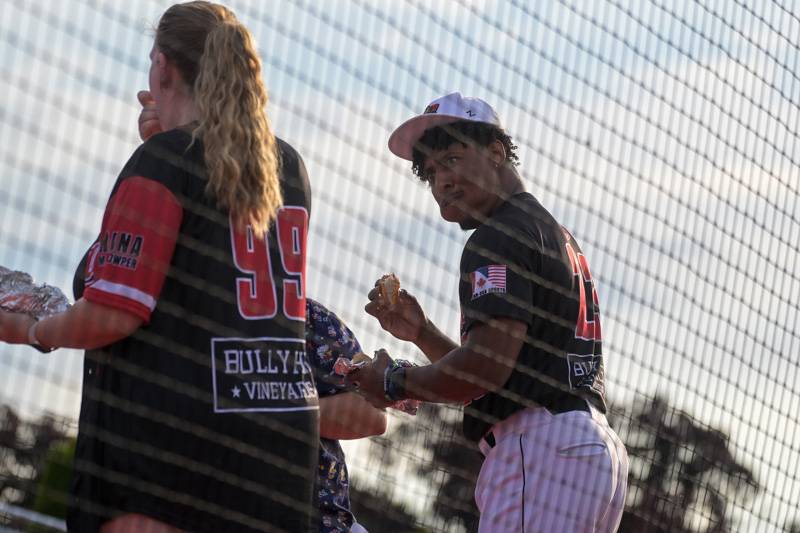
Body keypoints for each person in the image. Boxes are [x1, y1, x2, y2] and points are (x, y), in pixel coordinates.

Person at [1, 2, 319, 531]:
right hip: (279, 445)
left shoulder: (166, 162)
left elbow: (114, 313)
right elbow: (200, 254)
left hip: (172, 439)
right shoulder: (286, 165)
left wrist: (34, 328)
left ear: (164, 67)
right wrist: (162, 140)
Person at [348, 92, 629, 532]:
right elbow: (496, 371)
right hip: (585, 452)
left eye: (453, 159)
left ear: (496, 152)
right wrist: (423, 333)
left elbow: (485, 368)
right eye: (432, 171)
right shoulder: (546, 230)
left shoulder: (497, 236)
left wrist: (393, 380)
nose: (441, 180)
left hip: (541, 450)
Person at [305, 298, 386, 533]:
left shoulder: (308, 316)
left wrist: (275, 410)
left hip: (321, 522)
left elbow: (374, 412)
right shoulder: (196, 305)